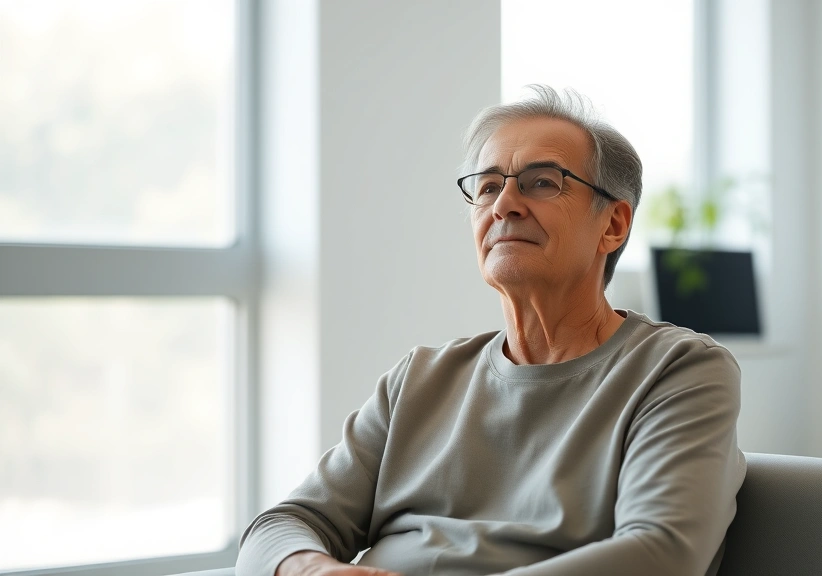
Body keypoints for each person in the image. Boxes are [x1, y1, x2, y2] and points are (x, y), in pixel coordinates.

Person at [236, 85, 746, 576]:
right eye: (487, 186)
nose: (503, 205)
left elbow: (663, 554)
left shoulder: (678, 370)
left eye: (542, 182)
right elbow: (285, 524)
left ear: (612, 225)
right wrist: (309, 567)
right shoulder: (419, 380)